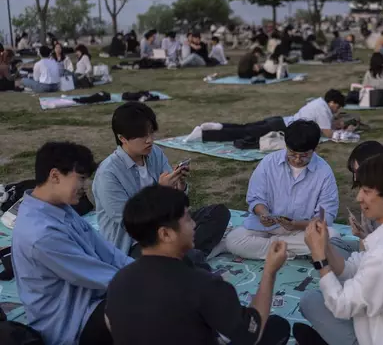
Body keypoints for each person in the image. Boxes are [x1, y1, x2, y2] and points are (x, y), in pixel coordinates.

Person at [105, 185, 291, 345]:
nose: (194, 224)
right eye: (187, 219)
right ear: (165, 234)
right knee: (277, 327)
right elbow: (252, 332)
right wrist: (269, 272)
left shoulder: (118, 280)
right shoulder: (202, 285)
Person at [294, 154, 383, 345]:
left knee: (312, 302)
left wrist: (319, 258)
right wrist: (326, 246)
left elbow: (342, 305)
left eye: (365, 191)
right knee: (315, 299)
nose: (358, 198)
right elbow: (351, 268)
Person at [11, 142, 133, 345]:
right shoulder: (41, 234)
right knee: (147, 307)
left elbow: (108, 252)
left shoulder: (59, 207)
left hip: (89, 297)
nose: (84, 188)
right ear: (55, 175)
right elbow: (97, 275)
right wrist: (150, 283)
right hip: (70, 322)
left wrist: (146, 271)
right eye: (81, 179)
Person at [93, 102, 231, 257]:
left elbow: (174, 204)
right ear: (122, 138)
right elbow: (130, 223)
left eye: (151, 133)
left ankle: (188, 256)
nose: (149, 140)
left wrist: (179, 187)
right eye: (142, 136)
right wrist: (158, 192)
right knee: (188, 257)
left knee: (218, 213)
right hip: (136, 242)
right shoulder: (108, 174)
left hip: (166, 227)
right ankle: (192, 255)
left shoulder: (154, 153)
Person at [225, 120, 340, 259]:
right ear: (286, 146)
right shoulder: (268, 163)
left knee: (332, 237)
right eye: (292, 153)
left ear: (314, 149)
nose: (297, 159)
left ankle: (274, 249)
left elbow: (325, 215)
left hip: (302, 230)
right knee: (233, 240)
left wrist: (297, 225)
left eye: (304, 155)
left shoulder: (324, 172)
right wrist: (263, 214)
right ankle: (287, 250)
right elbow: (255, 197)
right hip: (265, 228)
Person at [185, 89, 346, 142]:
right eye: (336, 107)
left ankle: (217, 126)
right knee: (244, 134)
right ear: (332, 102)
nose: (336, 110)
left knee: (245, 128)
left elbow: (324, 125)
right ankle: (205, 134)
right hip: (280, 127)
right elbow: (328, 134)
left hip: (279, 120)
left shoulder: (318, 103)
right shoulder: (324, 109)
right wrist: (346, 132)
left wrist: (335, 124)